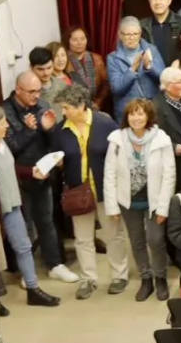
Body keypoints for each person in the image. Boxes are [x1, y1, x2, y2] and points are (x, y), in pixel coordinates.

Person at [53, 85, 128, 299]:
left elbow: (120, 154)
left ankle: (119, 276)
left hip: (105, 190)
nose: (64, 112)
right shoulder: (61, 130)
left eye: (66, 108)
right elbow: (56, 158)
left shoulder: (105, 123)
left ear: (81, 106)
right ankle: (88, 279)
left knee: (114, 235)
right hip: (78, 191)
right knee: (83, 238)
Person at [0, 105, 61, 307]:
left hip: (12, 205)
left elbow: (11, 168)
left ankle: (32, 289)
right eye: (2, 122)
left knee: (24, 247)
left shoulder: (2, 144)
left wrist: (31, 172)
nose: (7, 125)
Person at [3, 71, 74, 283]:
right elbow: (9, 148)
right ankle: (27, 271)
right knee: (23, 226)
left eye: (38, 90)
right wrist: (28, 130)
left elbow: (52, 140)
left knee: (47, 221)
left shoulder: (43, 105)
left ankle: (55, 264)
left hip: (43, 173)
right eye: (31, 91)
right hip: (18, 177)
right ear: (18, 90)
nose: (36, 95)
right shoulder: (5, 112)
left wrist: (49, 130)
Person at [102, 98, 176, 301]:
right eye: (132, 114)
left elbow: (169, 174)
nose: (136, 118)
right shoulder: (117, 139)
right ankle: (146, 279)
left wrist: (163, 208)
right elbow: (109, 174)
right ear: (127, 117)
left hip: (154, 201)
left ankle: (160, 277)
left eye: (140, 113)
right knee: (136, 241)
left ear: (148, 116)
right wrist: (112, 206)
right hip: (128, 201)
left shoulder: (161, 138)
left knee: (156, 239)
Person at [108, 16, 167, 120]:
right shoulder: (113, 58)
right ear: (120, 35)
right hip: (128, 112)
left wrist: (149, 67)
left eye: (135, 34)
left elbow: (164, 79)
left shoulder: (151, 50)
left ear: (140, 34)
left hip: (152, 108)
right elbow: (117, 88)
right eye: (127, 34)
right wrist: (132, 69)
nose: (132, 37)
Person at [140, 0, 181, 65]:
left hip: (179, 74)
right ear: (149, 0)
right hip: (151, 76)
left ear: (169, 0)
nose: (158, 2)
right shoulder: (142, 26)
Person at [65, 25, 110, 112]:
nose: (79, 43)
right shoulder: (64, 61)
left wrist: (98, 102)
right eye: (75, 40)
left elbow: (106, 84)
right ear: (68, 41)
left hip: (95, 107)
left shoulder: (97, 59)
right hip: (74, 108)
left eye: (82, 39)